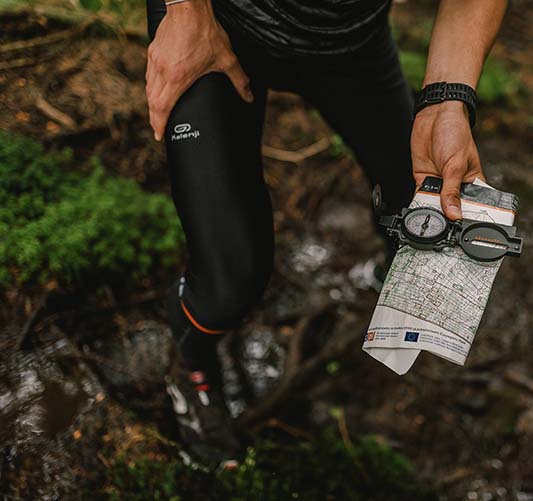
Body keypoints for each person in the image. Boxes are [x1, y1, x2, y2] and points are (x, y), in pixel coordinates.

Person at [145, 0, 507, 467]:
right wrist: (184, 12)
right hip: (219, 19)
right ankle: (190, 365)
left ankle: (380, 289)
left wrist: (448, 99)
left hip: (350, 40)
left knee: (425, 222)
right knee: (230, 280)